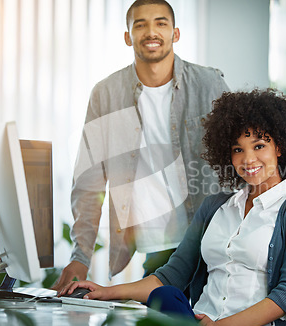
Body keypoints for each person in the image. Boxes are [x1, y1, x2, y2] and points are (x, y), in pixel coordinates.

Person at [58, 88, 286, 326]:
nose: (248, 160)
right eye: (237, 150)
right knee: (165, 298)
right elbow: (172, 275)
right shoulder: (215, 207)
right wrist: (105, 292)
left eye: (259, 146)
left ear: (279, 147)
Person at [52, 0, 229, 291]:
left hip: (211, 243)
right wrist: (80, 255)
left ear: (176, 33)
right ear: (127, 37)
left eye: (161, 23)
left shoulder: (209, 84)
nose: (151, 32)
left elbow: (238, 162)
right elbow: (89, 182)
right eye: (140, 24)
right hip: (157, 251)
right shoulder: (106, 95)